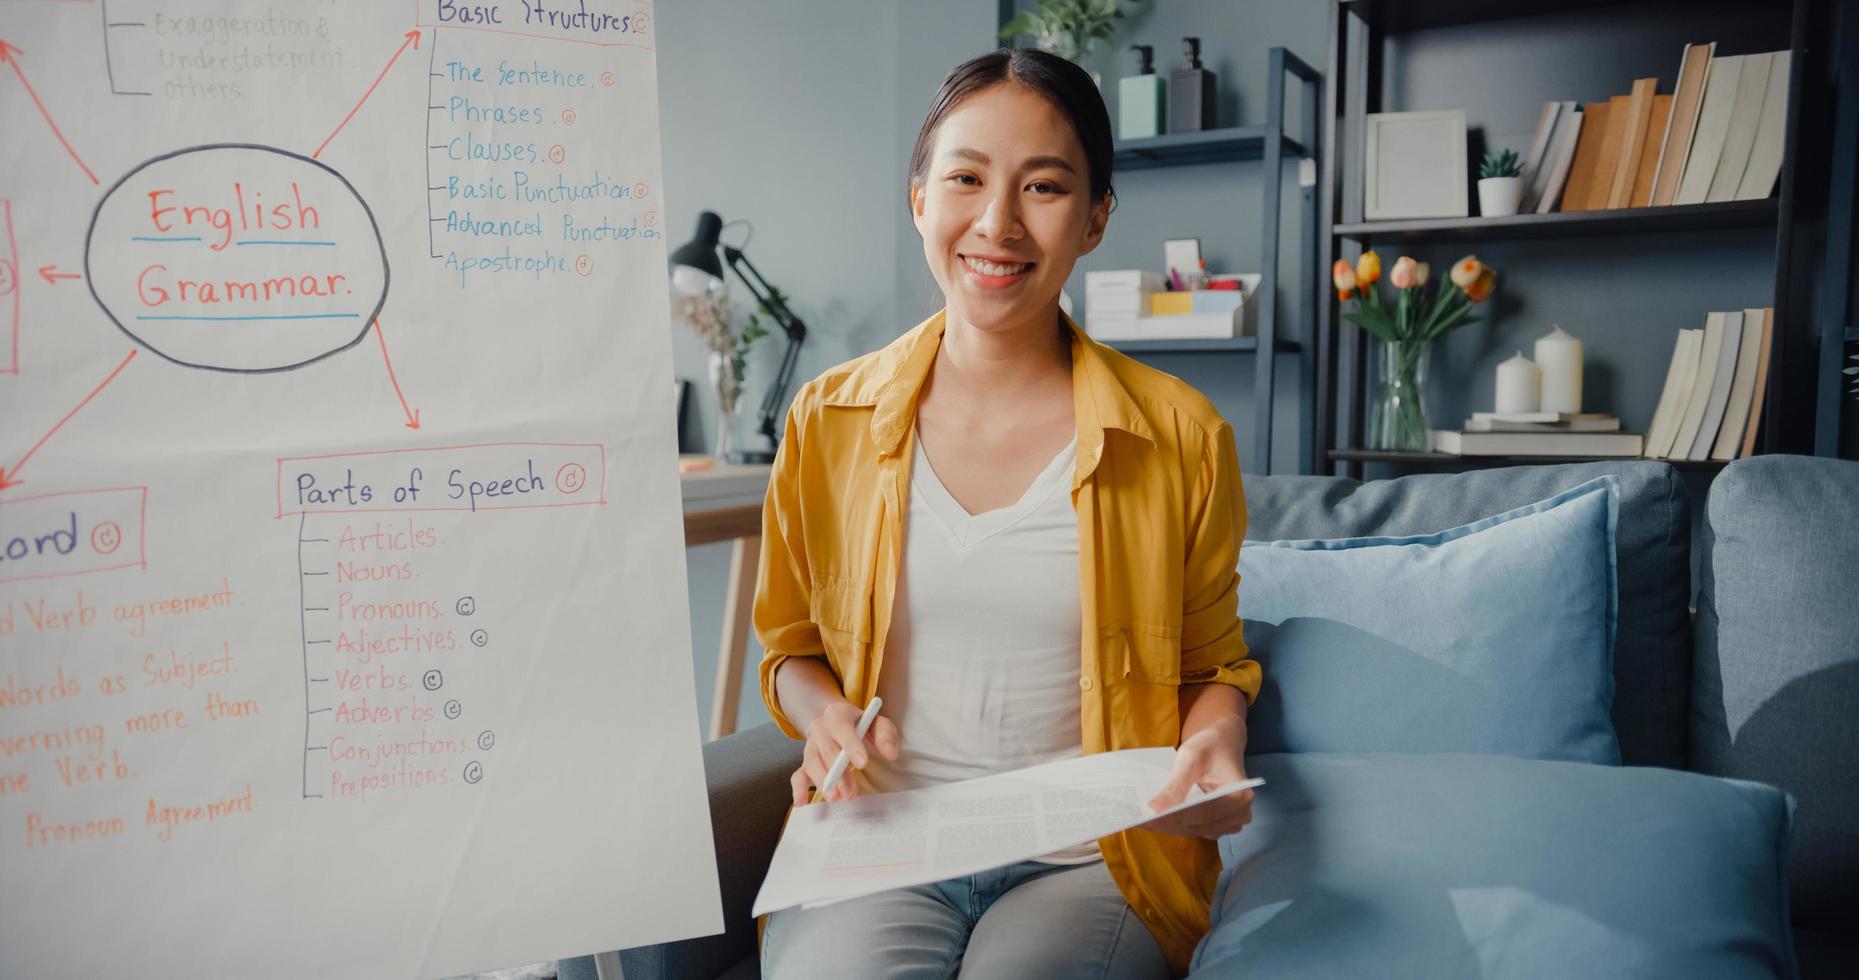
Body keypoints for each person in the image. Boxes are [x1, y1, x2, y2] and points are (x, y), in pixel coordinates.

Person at [753, 47, 1261, 980]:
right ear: (918, 200)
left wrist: (1215, 742)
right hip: (878, 847)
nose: (996, 223)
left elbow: (1210, 666)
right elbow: (788, 649)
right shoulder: (825, 421)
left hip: (1092, 858)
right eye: (965, 178)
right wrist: (822, 714)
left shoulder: (1181, 435)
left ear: (1096, 218)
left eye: (1044, 187)